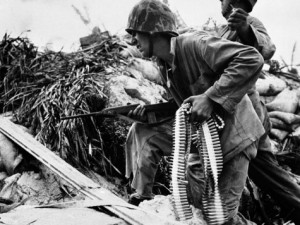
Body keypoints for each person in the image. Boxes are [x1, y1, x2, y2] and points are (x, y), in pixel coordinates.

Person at [124, 0, 266, 224]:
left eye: (136, 34)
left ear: (152, 31)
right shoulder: (164, 64)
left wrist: (210, 98)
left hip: (234, 138)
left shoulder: (194, 43)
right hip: (204, 142)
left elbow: (251, 58)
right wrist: (149, 113)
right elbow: (184, 103)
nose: (133, 41)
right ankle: (142, 198)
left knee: (220, 219)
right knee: (144, 132)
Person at [217, 0, 300, 223]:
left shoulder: (250, 23)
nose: (220, 2)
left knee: (266, 171)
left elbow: (267, 48)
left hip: (248, 112)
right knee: (265, 171)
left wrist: (245, 29)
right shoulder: (223, 29)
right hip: (235, 111)